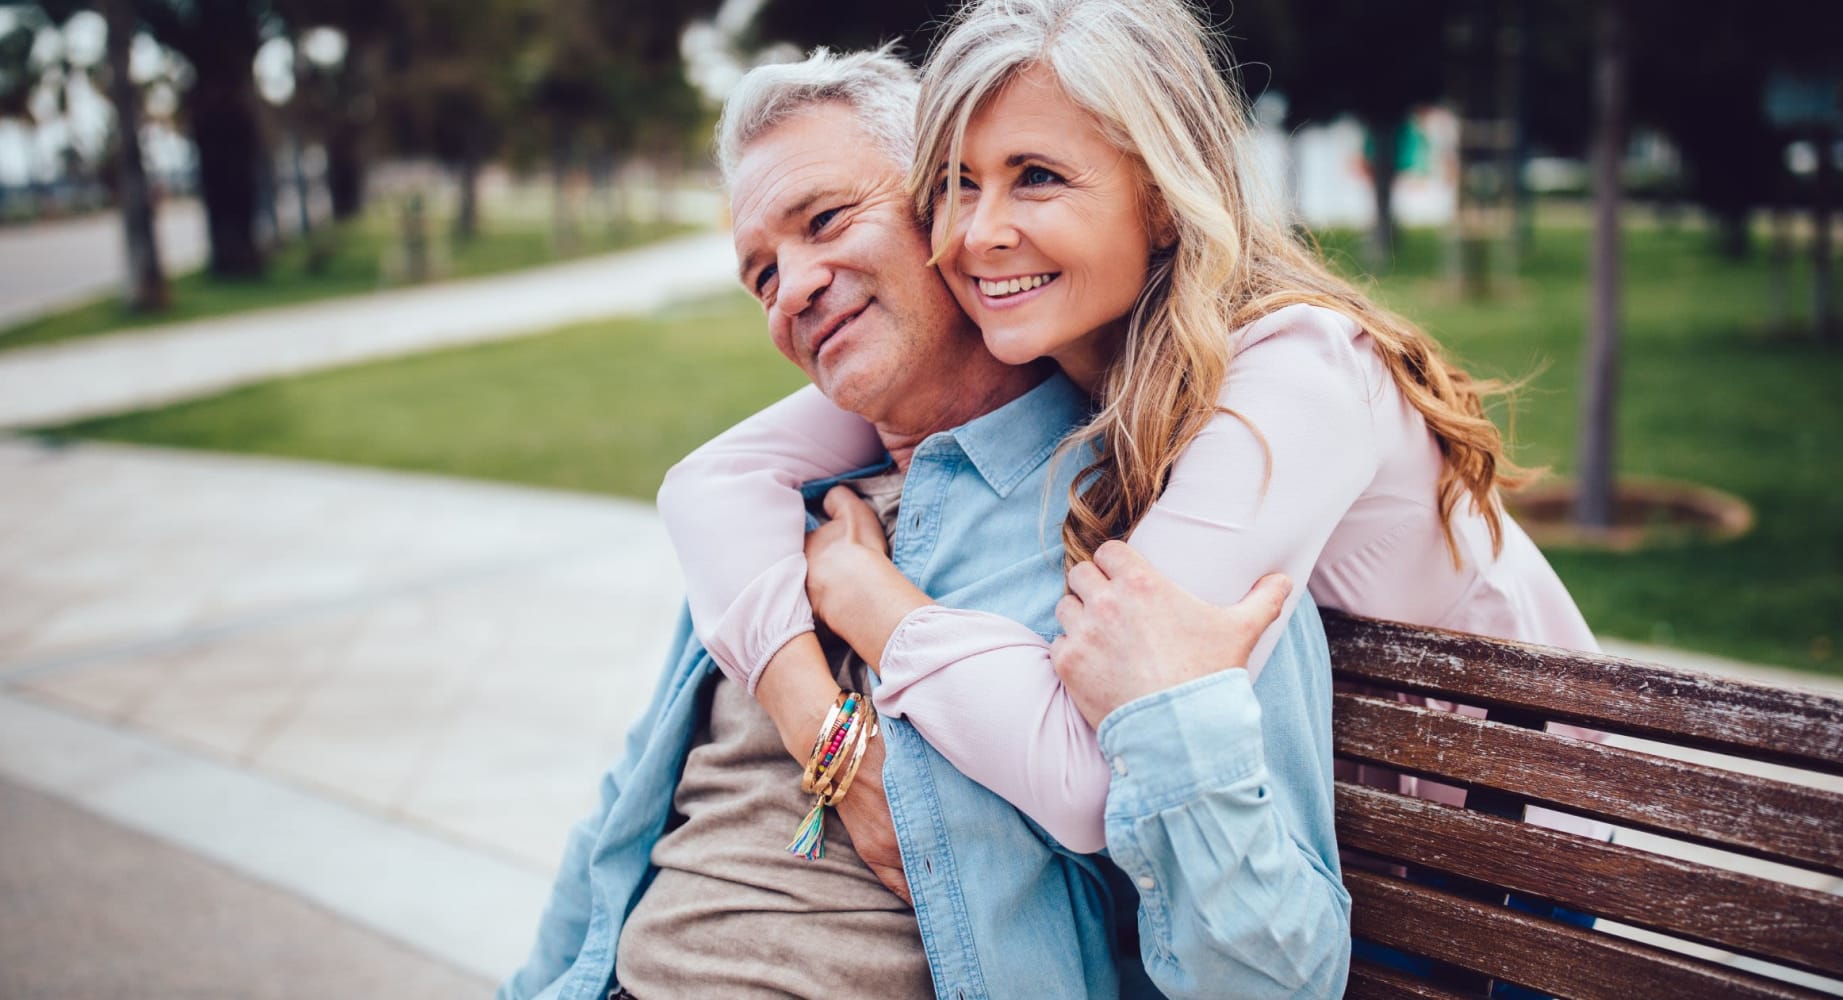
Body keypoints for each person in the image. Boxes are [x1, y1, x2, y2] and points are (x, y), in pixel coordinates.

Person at [662, 0, 1607, 873]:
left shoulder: (1300, 375)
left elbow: (1092, 780)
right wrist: (809, 711)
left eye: (1036, 178)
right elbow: (712, 481)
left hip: (1511, 874)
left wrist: (863, 591)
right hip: (1343, 862)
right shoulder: (1035, 338)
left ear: (1160, 197)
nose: (979, 234)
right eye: (956, 186)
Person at [504, 45, 1350, 1000]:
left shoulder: (1158, 539)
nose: (792, 288)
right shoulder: (773, 530)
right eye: (760, 276)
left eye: (824, 220)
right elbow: (623, 814)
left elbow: (1270, 977)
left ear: (940, 214)